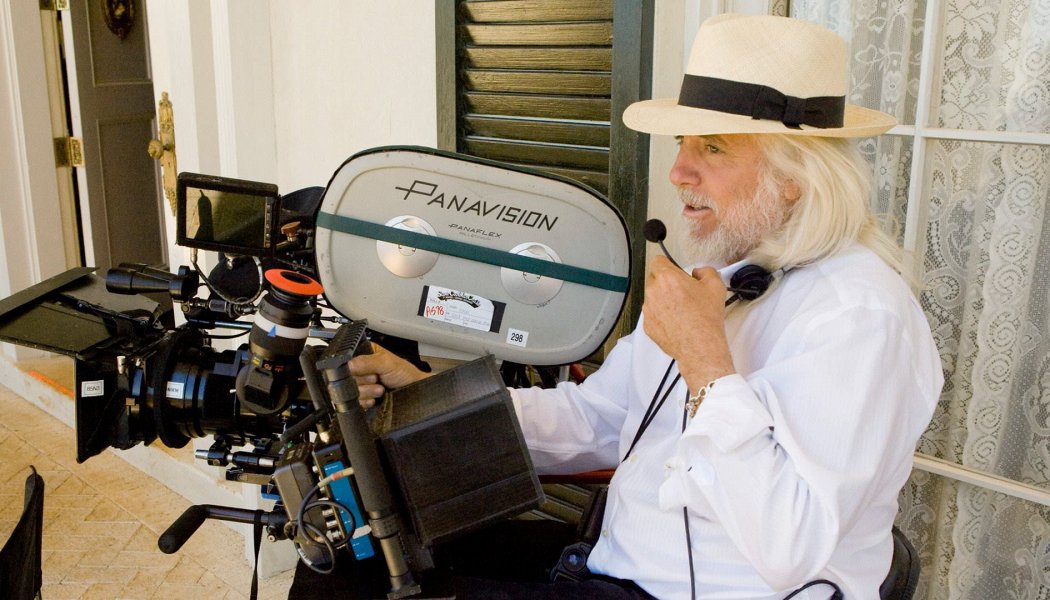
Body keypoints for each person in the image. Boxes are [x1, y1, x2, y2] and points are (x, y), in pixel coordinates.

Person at [347, 13, 942, 600]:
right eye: (683, 143)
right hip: (610, 564)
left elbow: (791, 542)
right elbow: (597, 417)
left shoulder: (858, 316)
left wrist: (705, 360)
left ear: (795, 177)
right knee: (356, 564)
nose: (679, 171)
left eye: (713, 147)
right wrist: (425, 395)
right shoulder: (733, 277)